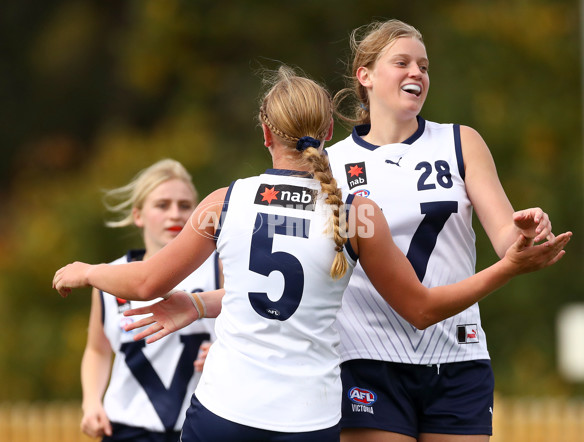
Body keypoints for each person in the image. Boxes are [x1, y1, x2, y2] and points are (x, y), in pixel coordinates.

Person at [53, 66, 571, 442]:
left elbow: (145, 283)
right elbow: (421, 309)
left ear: (263, 132)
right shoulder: (356, 215)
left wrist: (87, 271)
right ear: (328, 133)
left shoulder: (224, 202)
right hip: (307, 419)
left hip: (225, 411)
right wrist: (507, 268)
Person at [326, 19, 560, 442]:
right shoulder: (330, 165)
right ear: (366, 76)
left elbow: (508, 238)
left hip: (457, 353)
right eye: (402, 63)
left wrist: (526, 233)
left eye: (424, 66)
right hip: (366, 358)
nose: (417, 72)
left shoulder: (459, 142)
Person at [79, 158, 221, 441]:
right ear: (138, 215)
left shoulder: (220, 267)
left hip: (199, 426)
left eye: (184, 206)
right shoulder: (110, 276)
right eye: (162, 205)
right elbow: (97, 349)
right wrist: (91, 401)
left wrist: (224, 352)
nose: (175, 214)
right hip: (127, 429)